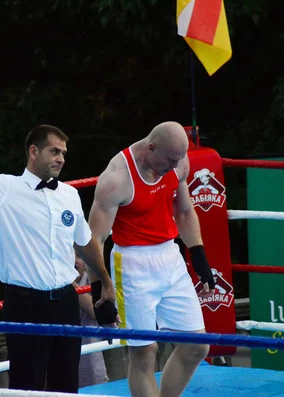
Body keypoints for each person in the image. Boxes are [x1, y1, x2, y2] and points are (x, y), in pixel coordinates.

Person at [0, 99, 117, 392]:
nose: (61, 158)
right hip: (25, 304)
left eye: (63, 153)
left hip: (65, 301)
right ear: (33, 151)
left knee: (67, 385)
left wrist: (104, 280)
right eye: (54, 151)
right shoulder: (4, 190)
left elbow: (85, 242)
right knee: (27, 386)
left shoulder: (69, 195)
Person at [88, 121, 216, 397]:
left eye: (179, 158)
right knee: (145, 353)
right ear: (151, 147)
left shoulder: (179, 164)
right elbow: (94, 239)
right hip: (132, 264)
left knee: (197, 345)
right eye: (170, 159)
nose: (175, 165)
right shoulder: (117, 178)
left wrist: (199, 255)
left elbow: (183, 212)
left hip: (170, 256)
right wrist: (100, 289)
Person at [73, 255, 109, 388]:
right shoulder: (51, 282)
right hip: (60, 354)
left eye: (78, 256)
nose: (74, 261)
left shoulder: (94, 280)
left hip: (90, 353)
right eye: (70, 254)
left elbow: (94, 310)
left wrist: (69, 282)